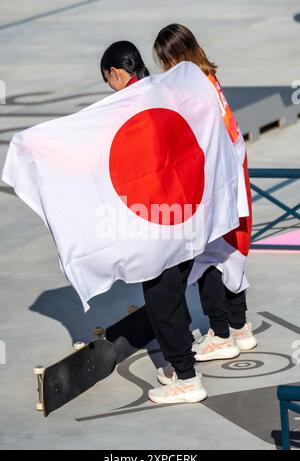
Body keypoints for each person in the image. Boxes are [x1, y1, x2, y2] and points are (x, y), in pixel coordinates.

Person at [100, 40, 208, 404]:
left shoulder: (129, 107)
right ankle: (182, 365)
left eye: (108, 81)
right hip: (185, 213)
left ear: (117, 73)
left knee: (161, 300)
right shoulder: (164, 92)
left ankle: (188, 379)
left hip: (157, 221)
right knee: (174, 292)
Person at [152, 24, 257, 385]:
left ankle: (221, 334)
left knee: (209, 255)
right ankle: (240, 326)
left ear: (174, 56)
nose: (164, 68)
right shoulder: (208, 77)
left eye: (165, 61)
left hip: (217, 177)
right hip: (234, 169)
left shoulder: (191, 87)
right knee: (231, 252)